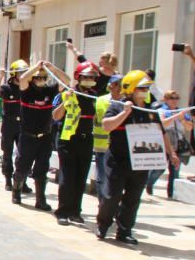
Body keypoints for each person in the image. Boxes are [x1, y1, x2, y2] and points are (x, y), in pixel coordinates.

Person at [96, 71, 181, 244]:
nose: (145, 91)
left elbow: (161, 132)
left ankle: (125, 230)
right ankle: (103, 224)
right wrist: (125, 113)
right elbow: (106, 126)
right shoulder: (117, 106)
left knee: (133, 198)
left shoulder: (149, 111)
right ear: (131, 88)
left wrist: (171, 154)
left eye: (147, 88)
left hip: (141, 162)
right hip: (118, 161)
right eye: (141, 87)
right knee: (111, 196)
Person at [11, 61, 71, 210]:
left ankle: (40, 199)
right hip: (27, 136)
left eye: (43, 78)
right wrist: (36, 67)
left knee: (42, 169)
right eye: (38, 78)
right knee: (22, 168)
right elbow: (23, 78)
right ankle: (16, 190)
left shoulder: (50, 91)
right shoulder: (26, 90)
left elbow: (67, 81)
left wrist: (51, 68)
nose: (40, 80)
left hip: (45, 136)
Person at [52, 62, 100, 225]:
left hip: (86, 139)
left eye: (92, 77)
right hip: (68, 140)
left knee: (81, 177)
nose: (89, 80)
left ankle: (75, 211)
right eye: (86, 77)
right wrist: (66, 102)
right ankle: (62, 211)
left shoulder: (95, 96)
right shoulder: (69, 93)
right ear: (79, 78)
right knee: (68, 176)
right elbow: (56, 116)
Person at [146, 90, 192, 198]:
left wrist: (183, 120)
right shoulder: (161, 111)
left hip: (178, 144)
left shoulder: (181, 112)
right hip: (165, 143)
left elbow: (189, 127)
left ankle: (171, 194)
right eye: (172, 98)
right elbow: (162, 123)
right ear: (166, 99)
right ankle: (149, 183)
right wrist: (175, 117)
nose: (175, 101)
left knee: (175, 170)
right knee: (159, 168)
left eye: (176, 98)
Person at [0, 60, 29, 192]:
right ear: (14, 74)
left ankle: (21, 182)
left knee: (24, 155)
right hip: (9, 124)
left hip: (23, 125)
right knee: (7, 154)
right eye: (21, 72)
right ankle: (8, 179)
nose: (24, 75)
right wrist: (0, 77)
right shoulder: (7, 88)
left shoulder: (27, 88)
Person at [93, 74, 122, 207]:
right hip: (102, 145)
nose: (119, 88)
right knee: (102, 179)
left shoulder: (127, 102)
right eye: (117, 84)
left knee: (115, 180)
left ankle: (112, 206)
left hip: (119, 147)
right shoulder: (100, 100)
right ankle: (103, 205)